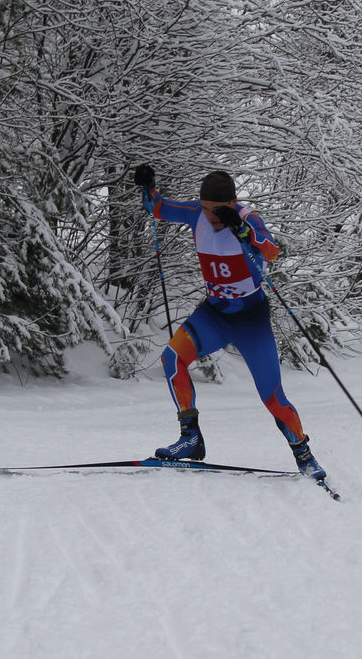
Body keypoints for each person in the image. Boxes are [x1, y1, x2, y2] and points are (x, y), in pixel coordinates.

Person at [132, 164, 324, 479]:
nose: (211, 216)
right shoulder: (197, 214)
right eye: (207, 209)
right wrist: (147, 186)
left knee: (273, 397)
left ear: (233, 204)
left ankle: (304, 455)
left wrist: (244, 232)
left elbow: (271, 251)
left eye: (218, 210)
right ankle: (191, 438)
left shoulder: (248, 219)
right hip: (215, 313)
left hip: (250, 319)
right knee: (173, 358)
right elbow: (157, 208)